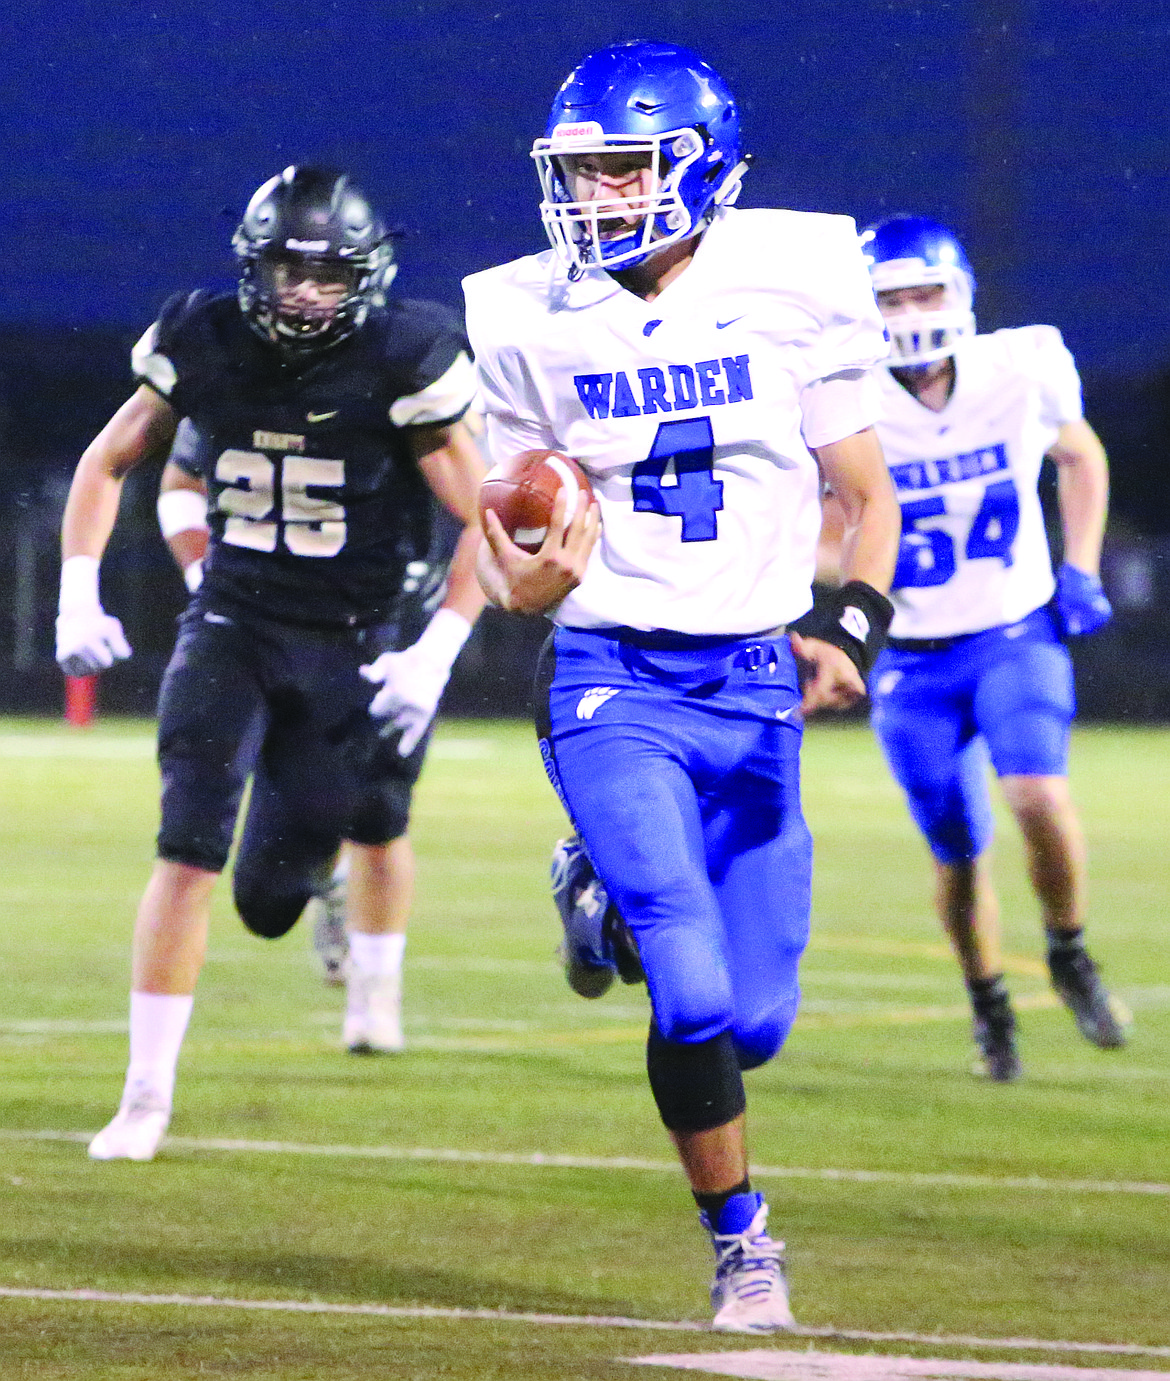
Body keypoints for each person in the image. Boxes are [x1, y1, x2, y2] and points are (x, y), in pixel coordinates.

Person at [464, 41, 900, 1333]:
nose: (594, 196)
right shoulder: (523, 315)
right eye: (579, 170)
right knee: (694, 994)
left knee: (752, 1021)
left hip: (755, 683)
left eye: (621, 166)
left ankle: (587, 899)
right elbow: (499, 549)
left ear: (698, 167)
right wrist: (530, 588)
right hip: (609, 678)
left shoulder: (798, 281)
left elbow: (864, 495)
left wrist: (852, 632)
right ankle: (741, 1243)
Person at [56, 165, 486, 1161]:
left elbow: (490, 521)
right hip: (234, 624)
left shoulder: (401, 357)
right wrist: (81, 584)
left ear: (365, 279)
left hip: (349, 643)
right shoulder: (204, 341)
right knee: (185, 846)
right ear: (253, 268)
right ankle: (145, 1097)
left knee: (265, 899)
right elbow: (107, 460)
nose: (302, 293)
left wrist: (440, 647)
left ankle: (321, 896)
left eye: (325, 275)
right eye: (286, 270)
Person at [847, 214, 1128, 1082]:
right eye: (888, 298)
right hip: (912, 657)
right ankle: (989, 1005)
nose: (907, 313)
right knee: (958, 851)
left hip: (1014, 630)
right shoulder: (847, 398)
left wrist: (1080, 566)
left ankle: (1069, 949)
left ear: (960, 292)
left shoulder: (1020, 365)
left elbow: (1080, 456)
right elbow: (826, 532)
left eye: (923, 292)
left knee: (1038, 793)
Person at [155, 421, 465, 988]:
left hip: (380, 620)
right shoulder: (236, 370)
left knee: (379, 806)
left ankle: (375, 996)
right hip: (254, 625)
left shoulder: (405, 366)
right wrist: (207, 577)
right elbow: (179, 480)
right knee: (264, 903)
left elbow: (484, 505)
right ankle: (324, 867)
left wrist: (440, 645)